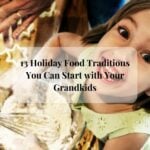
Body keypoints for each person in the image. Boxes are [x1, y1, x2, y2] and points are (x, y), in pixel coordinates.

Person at [2, 0, 150, 149]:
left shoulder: (131, 133)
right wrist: (30, 75)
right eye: (124, 33)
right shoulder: (91, 57)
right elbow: (59, 40)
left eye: (146, 57)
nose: (120, 55)